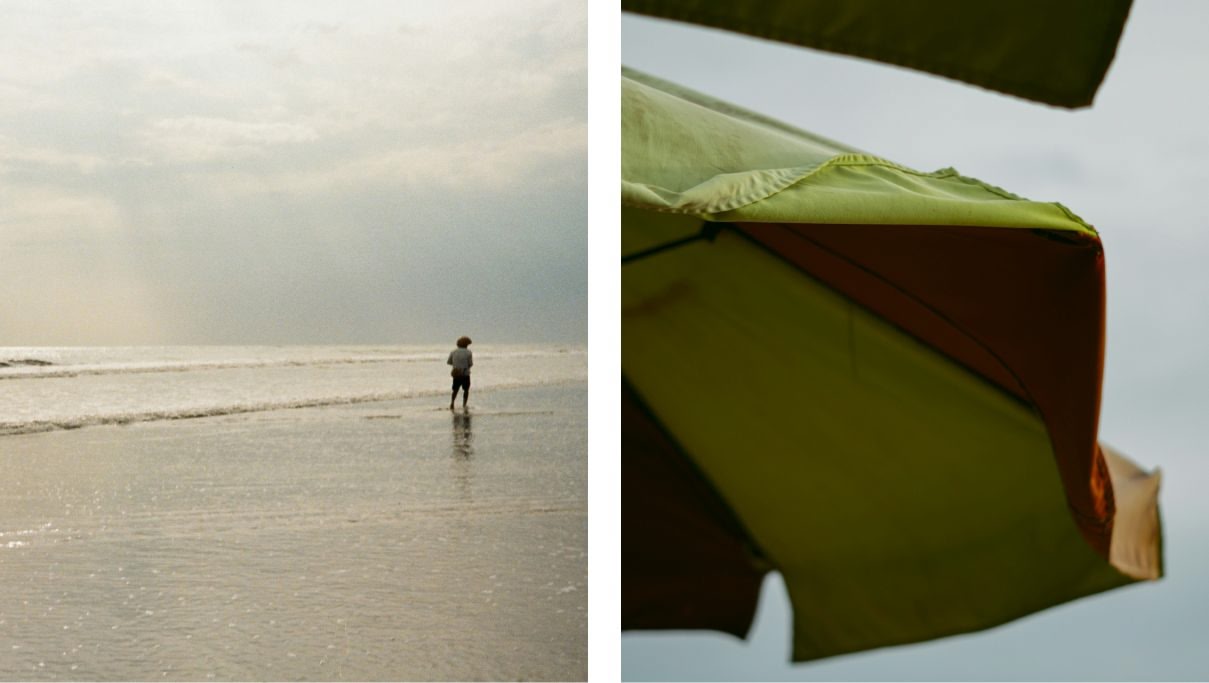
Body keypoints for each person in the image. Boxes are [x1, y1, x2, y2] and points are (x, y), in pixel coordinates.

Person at [447, 336, 473, 410]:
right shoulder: (468, 352)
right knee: (466, 390)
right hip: (465, 373)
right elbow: (470, 364)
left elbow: (449, 362)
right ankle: (464, 404)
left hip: (456, 373)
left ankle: (452, 403)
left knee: (455, 389)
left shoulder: (453, 352)